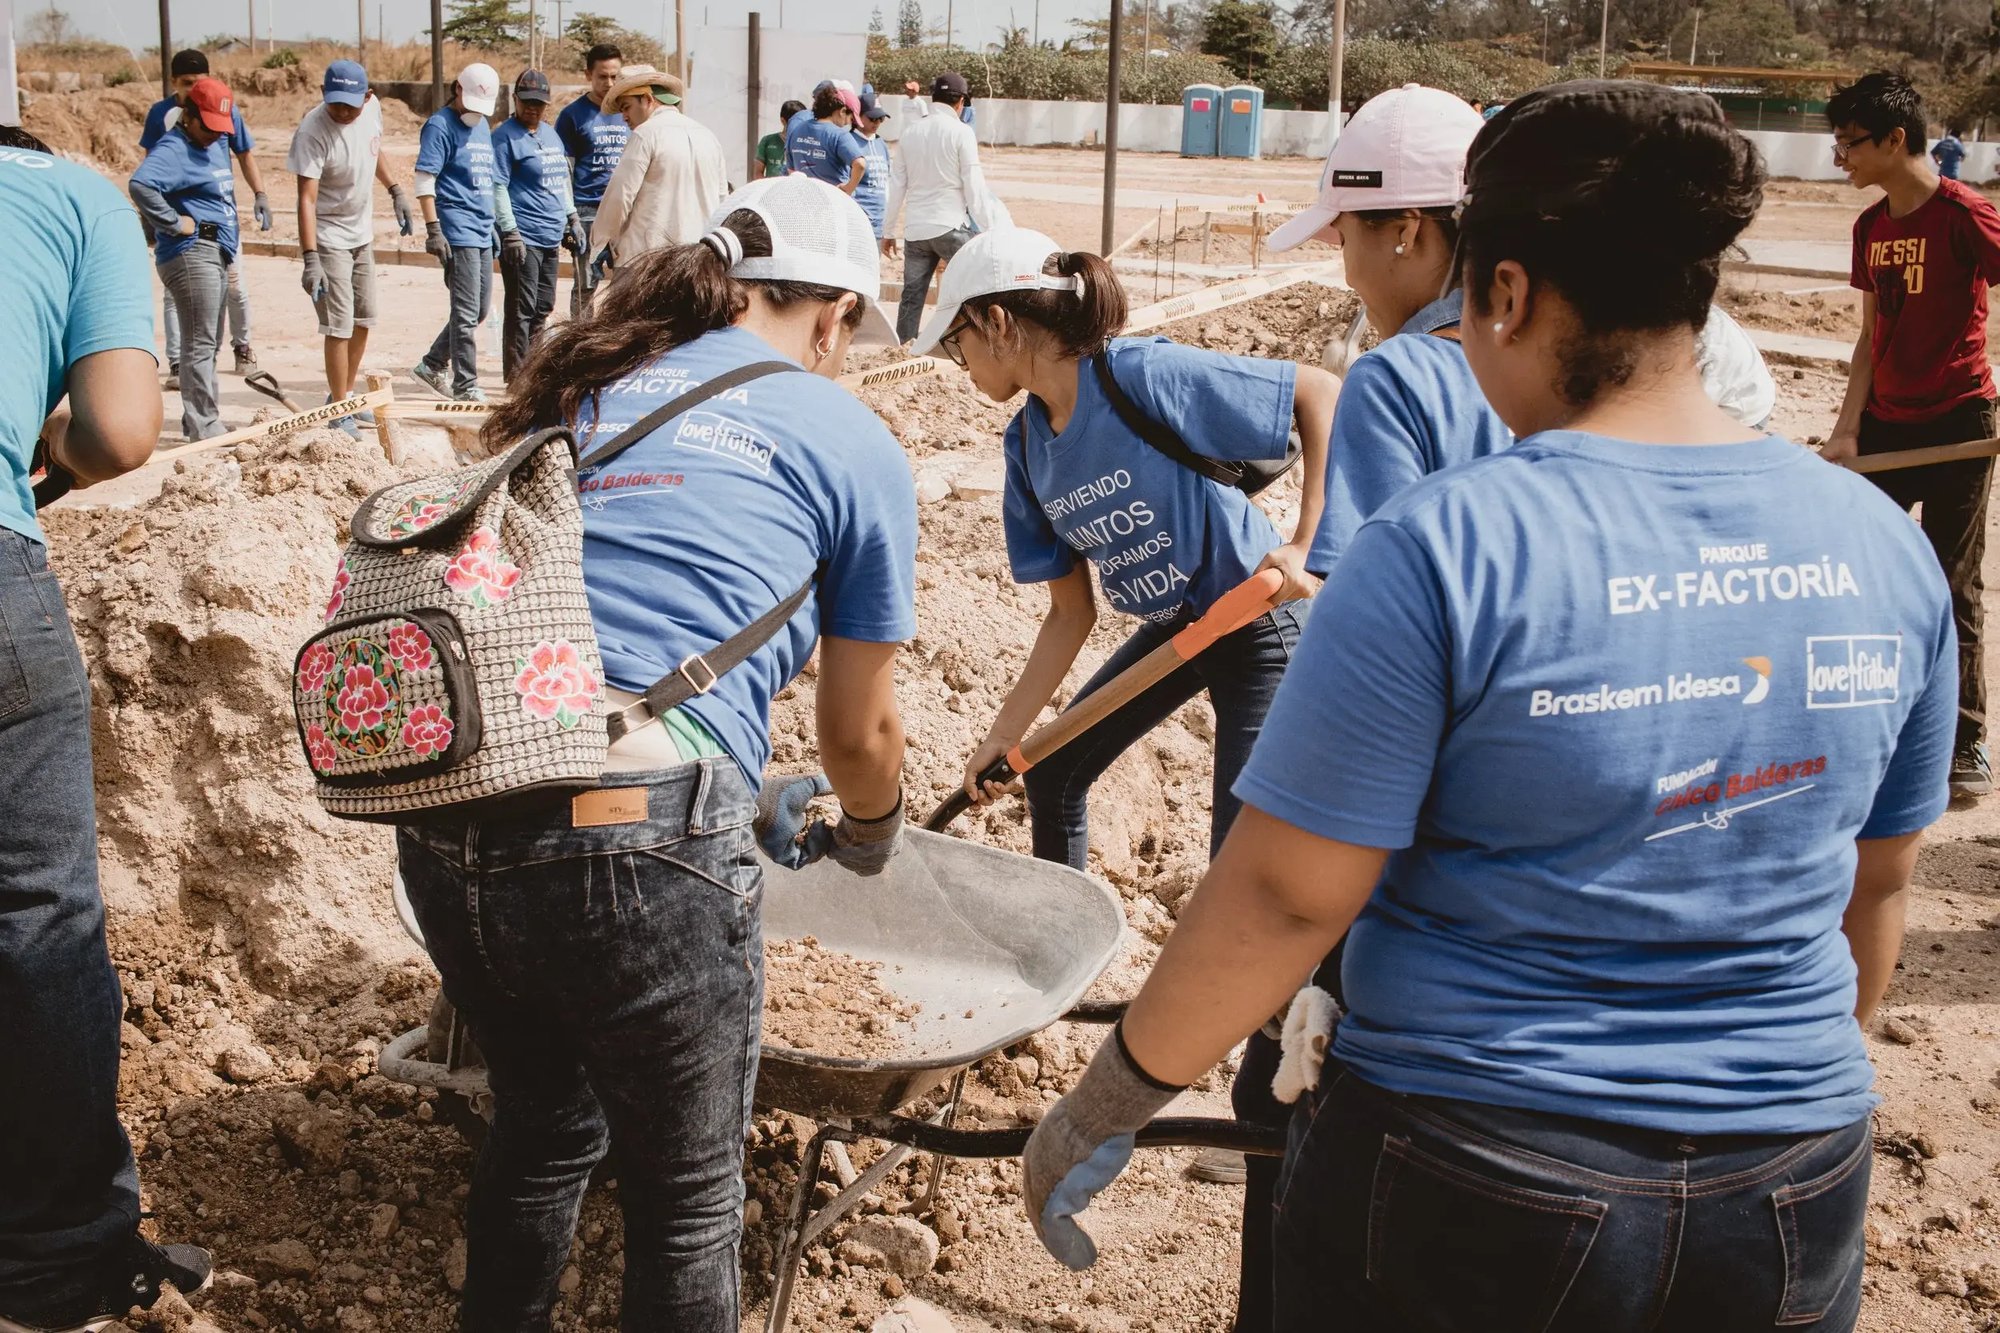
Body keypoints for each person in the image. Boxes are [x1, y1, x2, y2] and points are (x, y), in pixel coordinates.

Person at [1023, 80, 1958, 1332]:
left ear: (1504, 293)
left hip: (1482, 1164)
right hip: (1793, 1176)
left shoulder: (1443, 544)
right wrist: (1761, 1090)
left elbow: (1289, 889)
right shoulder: (1879, 547)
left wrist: (1112, 1093)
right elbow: (1875, 883)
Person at [412, 173, 912, 1331]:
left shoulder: (588, 388)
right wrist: (874, 833)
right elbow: (858, 732)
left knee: (540, 1129)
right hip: (636, 833)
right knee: (687, 1199)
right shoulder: (846, 433)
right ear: (831, 313)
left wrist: (745, 794)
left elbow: (586, 654)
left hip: (455, 814)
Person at [914, 225, 1334, 879]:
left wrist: (1307, 545)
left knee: (1242, 865)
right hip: (1180, 631)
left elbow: (1319, 392)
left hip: (1258, 622)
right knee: (1054, 773)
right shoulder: (1026, 447)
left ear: (997, 321)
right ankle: (1066, 962)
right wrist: (1003, 735)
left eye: (954, 340)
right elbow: (1068, 614)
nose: (957, 361)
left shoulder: (1137, 375)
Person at [0, 124, 213, 1333]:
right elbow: (124, 431)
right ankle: (58, 1262)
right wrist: (50, 452)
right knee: (37, 918)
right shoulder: (75, 196)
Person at [1825, 71, 1999, 799]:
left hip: (1959, 423)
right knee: (1856, 575)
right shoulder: (1872, 226)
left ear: (1896, 140)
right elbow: (1870, 336)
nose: (1841, 158)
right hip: (1885, 428)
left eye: (1850, 143)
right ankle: (1865, 718)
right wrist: (1845, 430)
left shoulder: (1966, 216)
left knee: (1952, 584)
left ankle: (1966, 741)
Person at [289, 60, 413, 438]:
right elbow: (305, 199)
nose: (342, 112)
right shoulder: (313, 131)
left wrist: (395, 190)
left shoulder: (372, 110)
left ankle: (340, 395)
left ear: (368, 96)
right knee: (338, 326)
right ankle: (340, 408)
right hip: (328, 238)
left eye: (350, 105)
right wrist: (311, 258)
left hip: (361, 234)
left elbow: (375, 150)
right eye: (335, 104)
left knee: (364, 319)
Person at [139, 48, 268, 382]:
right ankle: (179, 368)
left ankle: (242, 348)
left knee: (235, 292)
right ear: (174, 82)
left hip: (222, 223)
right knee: (186, 314)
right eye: (185, 82)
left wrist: (260, 193)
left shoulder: (223, 109)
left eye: (199, 81)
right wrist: (163, 220)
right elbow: (146, 174)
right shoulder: (163, 118)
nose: (191, 87)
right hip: (189, 234)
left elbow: (244, 153)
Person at [129, 76, 243, 441]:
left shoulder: (216, 140)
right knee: (199, 342)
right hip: (190, 253)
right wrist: (174, 222)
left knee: (210, 341)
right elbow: (141, 185)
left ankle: (204, 419)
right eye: (207, 127)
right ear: (188, 116)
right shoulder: (174, 148)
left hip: (217, 250)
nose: (213, 135)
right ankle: (204, 426)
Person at [883, 72, 1004, 343]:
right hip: (950, 226)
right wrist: (990, 229)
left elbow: (897, 186)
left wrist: (888, 230)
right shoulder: (962, 132)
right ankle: (976, 343)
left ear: (932, 97)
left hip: (916, 230)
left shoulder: (910, 132)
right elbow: (973, 185)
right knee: (977, 287)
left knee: (912, 295)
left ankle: (904, 348)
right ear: (960, 102)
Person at [410, 63, 500, 404]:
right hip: (456, 229)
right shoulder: (439, 126)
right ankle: (466, 385)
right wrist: (434, 228)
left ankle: (432, 365)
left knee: (477, 311)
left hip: (480, 228)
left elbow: (483, 178)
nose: (475, 113)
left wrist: (492, 224)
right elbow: (424, 179)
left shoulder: (483, 126)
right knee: (464, 313)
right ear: (457, 89)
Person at [492, 69, 585, 383]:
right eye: (527, 102)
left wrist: (571, 218)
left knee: (543, 306)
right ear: (515, 100)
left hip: (550, 234)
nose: (533, 108)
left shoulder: (550, 135)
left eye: (539, 104)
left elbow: (561, 182)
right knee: (522, 307)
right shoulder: (505, 137)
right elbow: (497, 186)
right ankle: (517, 379)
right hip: (524, 235)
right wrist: (510, 231)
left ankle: (534, 371)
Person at [588, 67, 729, 271]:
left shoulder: (645, 135)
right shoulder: (708, 136)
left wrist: (602, 241)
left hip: (647, 262)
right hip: (698, 262)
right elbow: (722, 200)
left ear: (646, 99)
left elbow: (620, 196)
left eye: (626, 107)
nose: (624, 117)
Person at [556, 43, 630, 309]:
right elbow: (564, 170)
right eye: (602, 76)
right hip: (587, 212)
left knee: (626, 286)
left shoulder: (629, 111)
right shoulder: (571, 116)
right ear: (588, 74)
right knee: (586, 287)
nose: (609, 83)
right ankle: (580, 347)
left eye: (615, 76)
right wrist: (569, 217)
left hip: (624, 211)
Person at [786, 85, 865, 194]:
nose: (847, 123)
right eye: (850, 119)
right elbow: (860, 164)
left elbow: (791, 169)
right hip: (832, 203)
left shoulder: (796, 130)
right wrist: (848, 189)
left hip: (803, 201)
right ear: (842, 111)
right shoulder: (839, 135)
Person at [850, 95, 893, 238]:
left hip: (879, 222)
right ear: (857, 117)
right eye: (872, 119)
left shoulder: (882, 145)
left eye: (880, 119)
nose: (877, 123)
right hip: (857, 222)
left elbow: (887, 182)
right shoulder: (849, 142)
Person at [755, 99, 806, 179]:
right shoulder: (767, 141)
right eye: (794, 122)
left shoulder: (806, 143)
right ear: (783, 120)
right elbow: (757, 173)